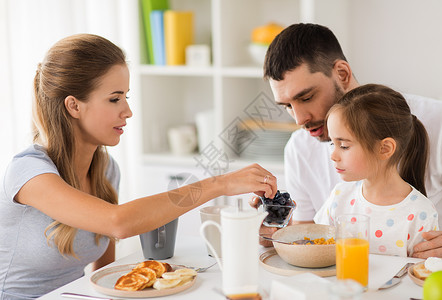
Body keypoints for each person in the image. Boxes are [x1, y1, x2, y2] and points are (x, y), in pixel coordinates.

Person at [0, 34, 278, 300]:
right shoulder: (29, 172)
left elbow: (104, 275)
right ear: (73, 106)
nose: (128, 111)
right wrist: (220, 183)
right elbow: (118, 222)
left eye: (126, 97)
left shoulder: (106, 170)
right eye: (114, 99)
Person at [256, 23, 442, 258]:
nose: (299, 119)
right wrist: (273, 230)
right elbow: (309, 238)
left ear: (342, 74)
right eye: (287, 106)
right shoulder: (299, 149)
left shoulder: (441, 122)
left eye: (306, 97)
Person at [313, 84, 438, 257]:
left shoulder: (420, 214)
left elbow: (421, 274)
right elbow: (318, 250)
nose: (333, 155)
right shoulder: (339, 198)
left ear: (385, 149)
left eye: (344, 146)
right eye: (332, 144)